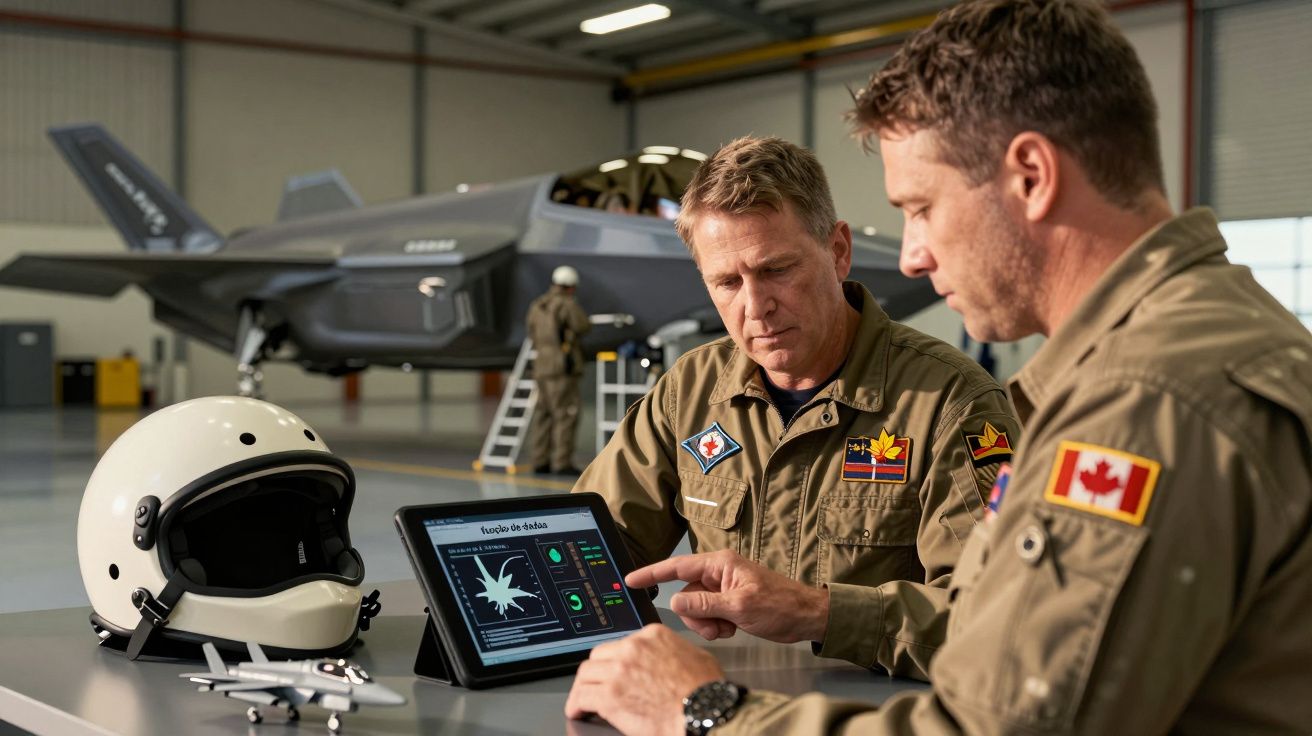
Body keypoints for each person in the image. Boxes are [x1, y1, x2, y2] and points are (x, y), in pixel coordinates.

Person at [563, 1, 1312, 733]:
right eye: (727, 282)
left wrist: (704, 713)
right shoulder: (1216, 342)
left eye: (921, 207)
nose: (915, 255)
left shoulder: (1148, 400)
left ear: (1030, 175)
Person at [572, 135, 1022, 676]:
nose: (755, 307)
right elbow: (587, 550)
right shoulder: (688, 392)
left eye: (776, 270)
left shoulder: (950, 403)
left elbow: (1000, 622)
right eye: (726, 282)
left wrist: (819, 614)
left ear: (838, 251)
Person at [527, 265, 591, 475]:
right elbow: (582, 326)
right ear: (571, 287)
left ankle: (540, 460)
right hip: (561, 368)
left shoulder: (538, 305)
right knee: (566, 413)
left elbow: (530, 330)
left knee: (543, 414)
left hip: (541, 366)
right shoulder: (566, 304)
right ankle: (562, 462)